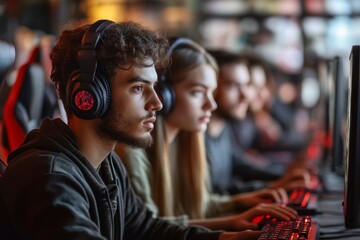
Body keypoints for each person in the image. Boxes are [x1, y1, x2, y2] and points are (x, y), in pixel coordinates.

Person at [0, 19, 263, 240]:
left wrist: (223, 238)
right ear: (90, 97)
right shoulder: (49, 178)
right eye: (138, 88)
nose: (157, 103)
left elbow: (144, 228)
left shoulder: (107, 165)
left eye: (153, 87)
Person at [116, 37, 297, 232]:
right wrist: (229, 227)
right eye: (197, 92)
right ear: (165, 95)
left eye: (212, 92)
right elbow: (149, 229)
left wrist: (241, 202)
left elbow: (201, 204)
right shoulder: (133, 151)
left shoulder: (185, 142)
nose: (212, 105)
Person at [205, 49, 311, 195]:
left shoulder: (223, 128)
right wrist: (270, 187)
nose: (246, 95)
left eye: (246, 85)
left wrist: (283, 177)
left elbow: (239, 164)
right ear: (212, 88)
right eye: (233, 86)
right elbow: (213, 196)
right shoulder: (197, 137)